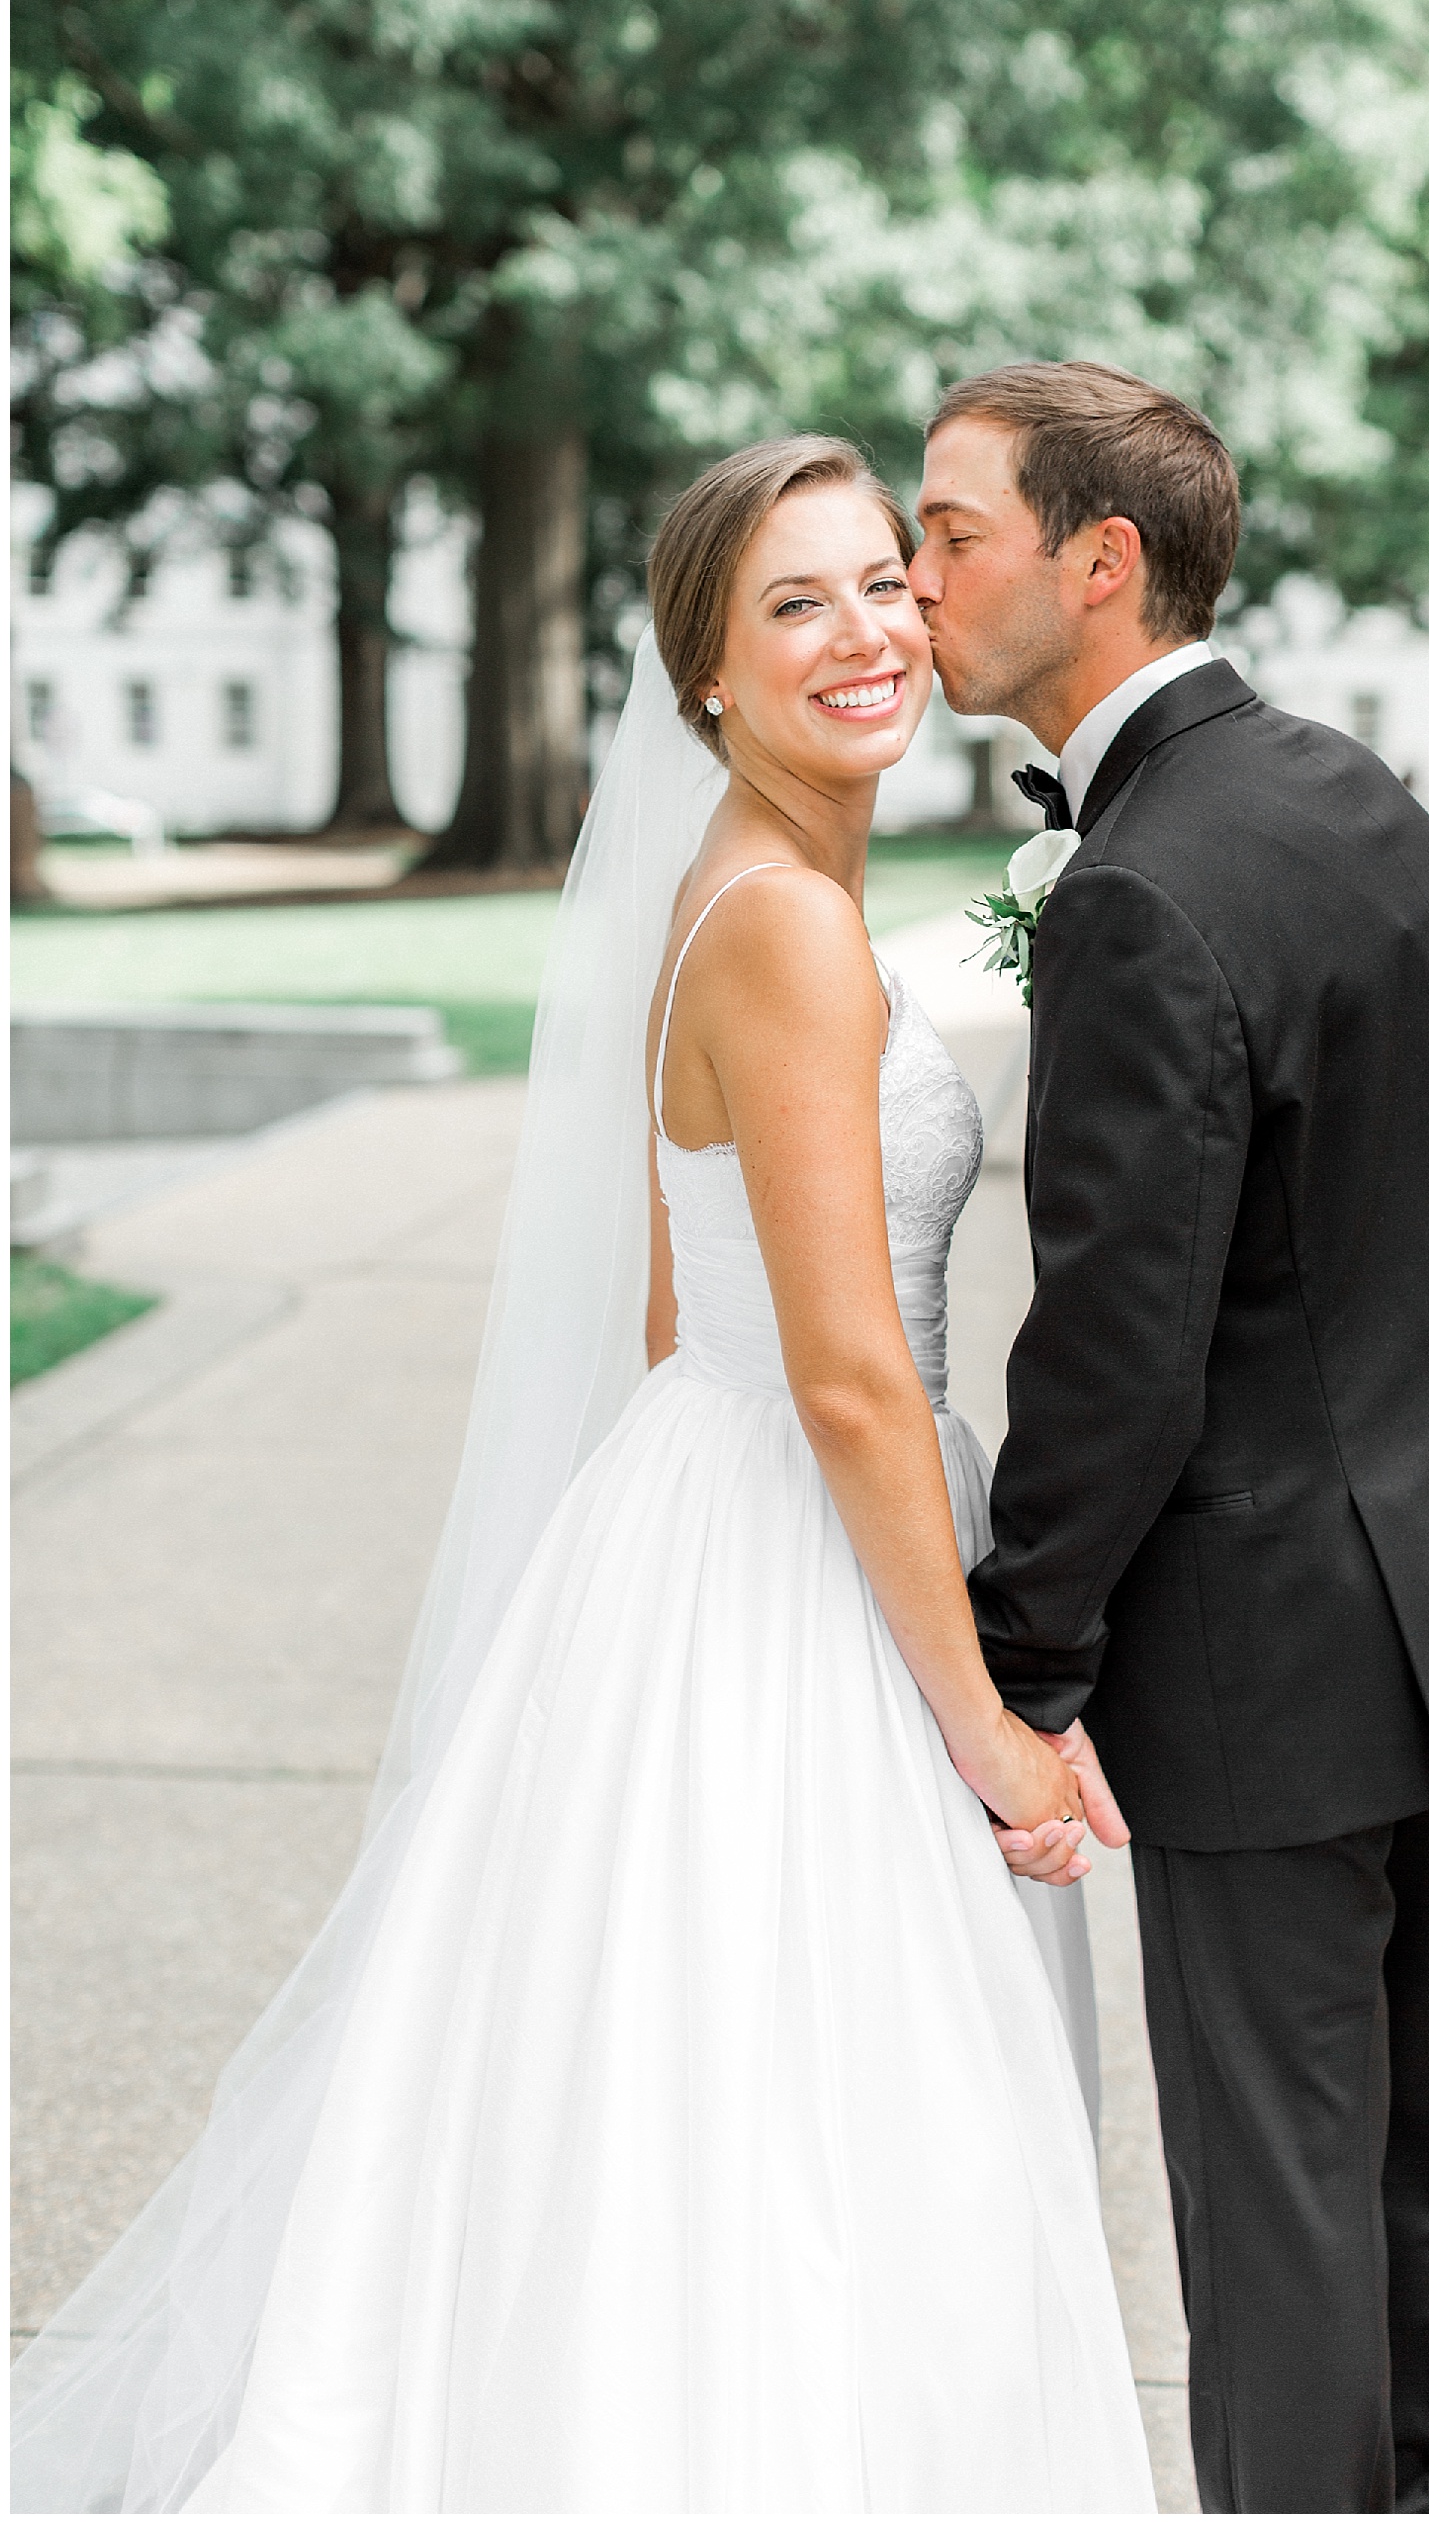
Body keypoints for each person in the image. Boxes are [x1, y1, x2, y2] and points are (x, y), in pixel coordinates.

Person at [11, 438, 1154, 2515]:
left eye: (881, 581)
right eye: (793, 604)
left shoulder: (749, 883)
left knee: (696, 2078)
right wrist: (984, 1722)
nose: (866, 631)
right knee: (822, 2097)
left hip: (716, 1514)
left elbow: (667, 1308)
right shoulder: (783, 926)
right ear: (704, 673)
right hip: (810, 1533)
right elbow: (846, 1382)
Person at [911, 360, 1429, 2517]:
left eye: (951, 534)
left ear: (1099, 562)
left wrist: (1024, 1665)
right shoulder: (1350, 791)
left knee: (1277, 2193)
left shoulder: (1139, 890)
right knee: (1391, 2131)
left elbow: (1118, 1351)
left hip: (1273, 1650)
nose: (915, 578)